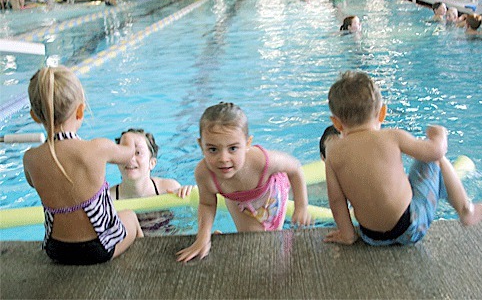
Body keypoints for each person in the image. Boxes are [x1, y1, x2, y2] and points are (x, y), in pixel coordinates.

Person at [323, 71, 482, 246]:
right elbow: (435, 151)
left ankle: (463, 208)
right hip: (411, 228)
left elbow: (337, 200)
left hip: (372, 237)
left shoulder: (333, 153)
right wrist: (439, 136)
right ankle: (466, 210)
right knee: (435, 159)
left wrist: (348, 235)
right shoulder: (392, 136)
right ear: (382, 113)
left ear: (336, 123)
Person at [23, 66, 143, 265]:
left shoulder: (30, 159)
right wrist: (129, 138)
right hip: (98, 249)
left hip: (56, 250)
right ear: (80, 110)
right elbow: (127, 154)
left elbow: (32, 183)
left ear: (35, 116)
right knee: (129, 216)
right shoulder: (98, 148)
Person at [176, 102, 312, 262]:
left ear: (248, 143)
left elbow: (295, 168)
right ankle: (224, 239)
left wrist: (301, 206)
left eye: (233, 148)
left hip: (269, 192)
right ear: (201, 145)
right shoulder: (204, 173)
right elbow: (207, 204)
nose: (223, 159)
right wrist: (203, 238)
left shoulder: (262, 161)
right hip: (237, 198)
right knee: (251, 240)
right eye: (212, 149)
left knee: (268, 241)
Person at [110, 128, 194, 200]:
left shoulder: (168, 189)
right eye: (125, 152)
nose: (131, 158)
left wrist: (189, 193)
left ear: (152, 163)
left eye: (138, 152)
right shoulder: (109, 198)